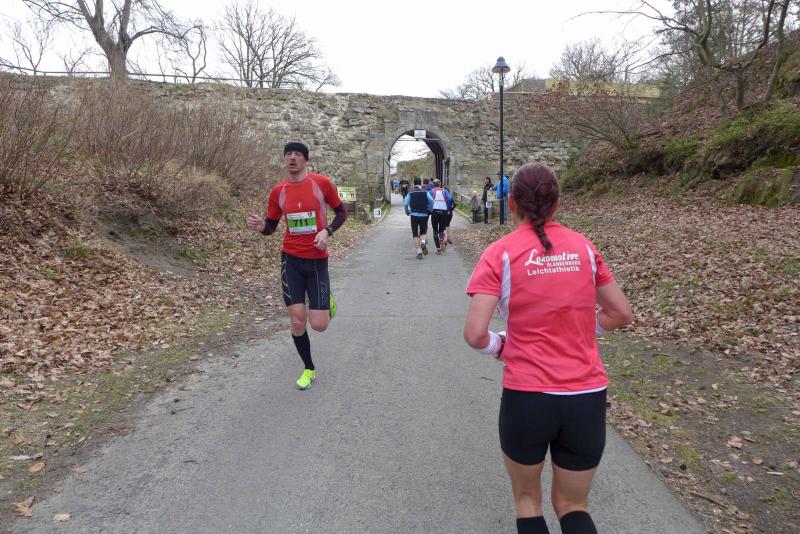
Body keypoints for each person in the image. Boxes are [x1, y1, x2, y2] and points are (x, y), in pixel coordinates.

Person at [463, 163, 633, 534]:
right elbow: (620, 313)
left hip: (528, 398)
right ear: (556, 204)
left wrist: (500, 347)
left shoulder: (500, 253)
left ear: (511, 204)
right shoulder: (584, 247)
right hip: (585, 397)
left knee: (528, 502)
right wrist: (582, 330)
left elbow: (475, 334)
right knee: (574, 506)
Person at [246, 141, 348, 390]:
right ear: (284, 159)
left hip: (317, 261)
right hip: (291, 260)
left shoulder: (321, 183)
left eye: (297, 154)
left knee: (319, 325)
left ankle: (326, 301)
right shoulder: (278, 191)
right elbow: (271, 227)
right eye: (288, 154)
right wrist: (262, 226)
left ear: (306, 160)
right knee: (297, 320)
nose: (292, 158)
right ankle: (308, 368)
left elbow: (342, 213)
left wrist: (327, 231)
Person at [404, 176, 432, 259]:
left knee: (415, 234)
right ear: (421, 183)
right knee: (423, 232)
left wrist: (407, 212)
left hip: (414, 215)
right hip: (424, 214)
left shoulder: (410, 192)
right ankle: (423, 242)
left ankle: (419, 253)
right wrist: (430, 209)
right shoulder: (425, 192)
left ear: (414, 184)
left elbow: (406, 204)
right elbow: (431, 200)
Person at [428, 179, 452, 255]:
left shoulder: (431, 192)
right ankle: (441, 239)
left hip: (434, 212)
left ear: (433, 185)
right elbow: (449, 198)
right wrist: (448, 208)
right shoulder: (445, 191)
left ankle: (438, 249)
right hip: (443, 212)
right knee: (441, 230)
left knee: (435, 230)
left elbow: (428, 200)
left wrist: (430, 209)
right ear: (440, 184)